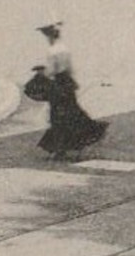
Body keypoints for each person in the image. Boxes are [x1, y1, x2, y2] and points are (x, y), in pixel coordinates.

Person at [34, 20, 107, 159]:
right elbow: (70, 68)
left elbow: (52, 70)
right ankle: (82, 139)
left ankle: (60, 149)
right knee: (72, 112)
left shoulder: (52, 51)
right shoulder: (65, 49)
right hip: (68, 83)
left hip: (58, 83)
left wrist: (42, 74)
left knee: (57, 115)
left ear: (50, 36)